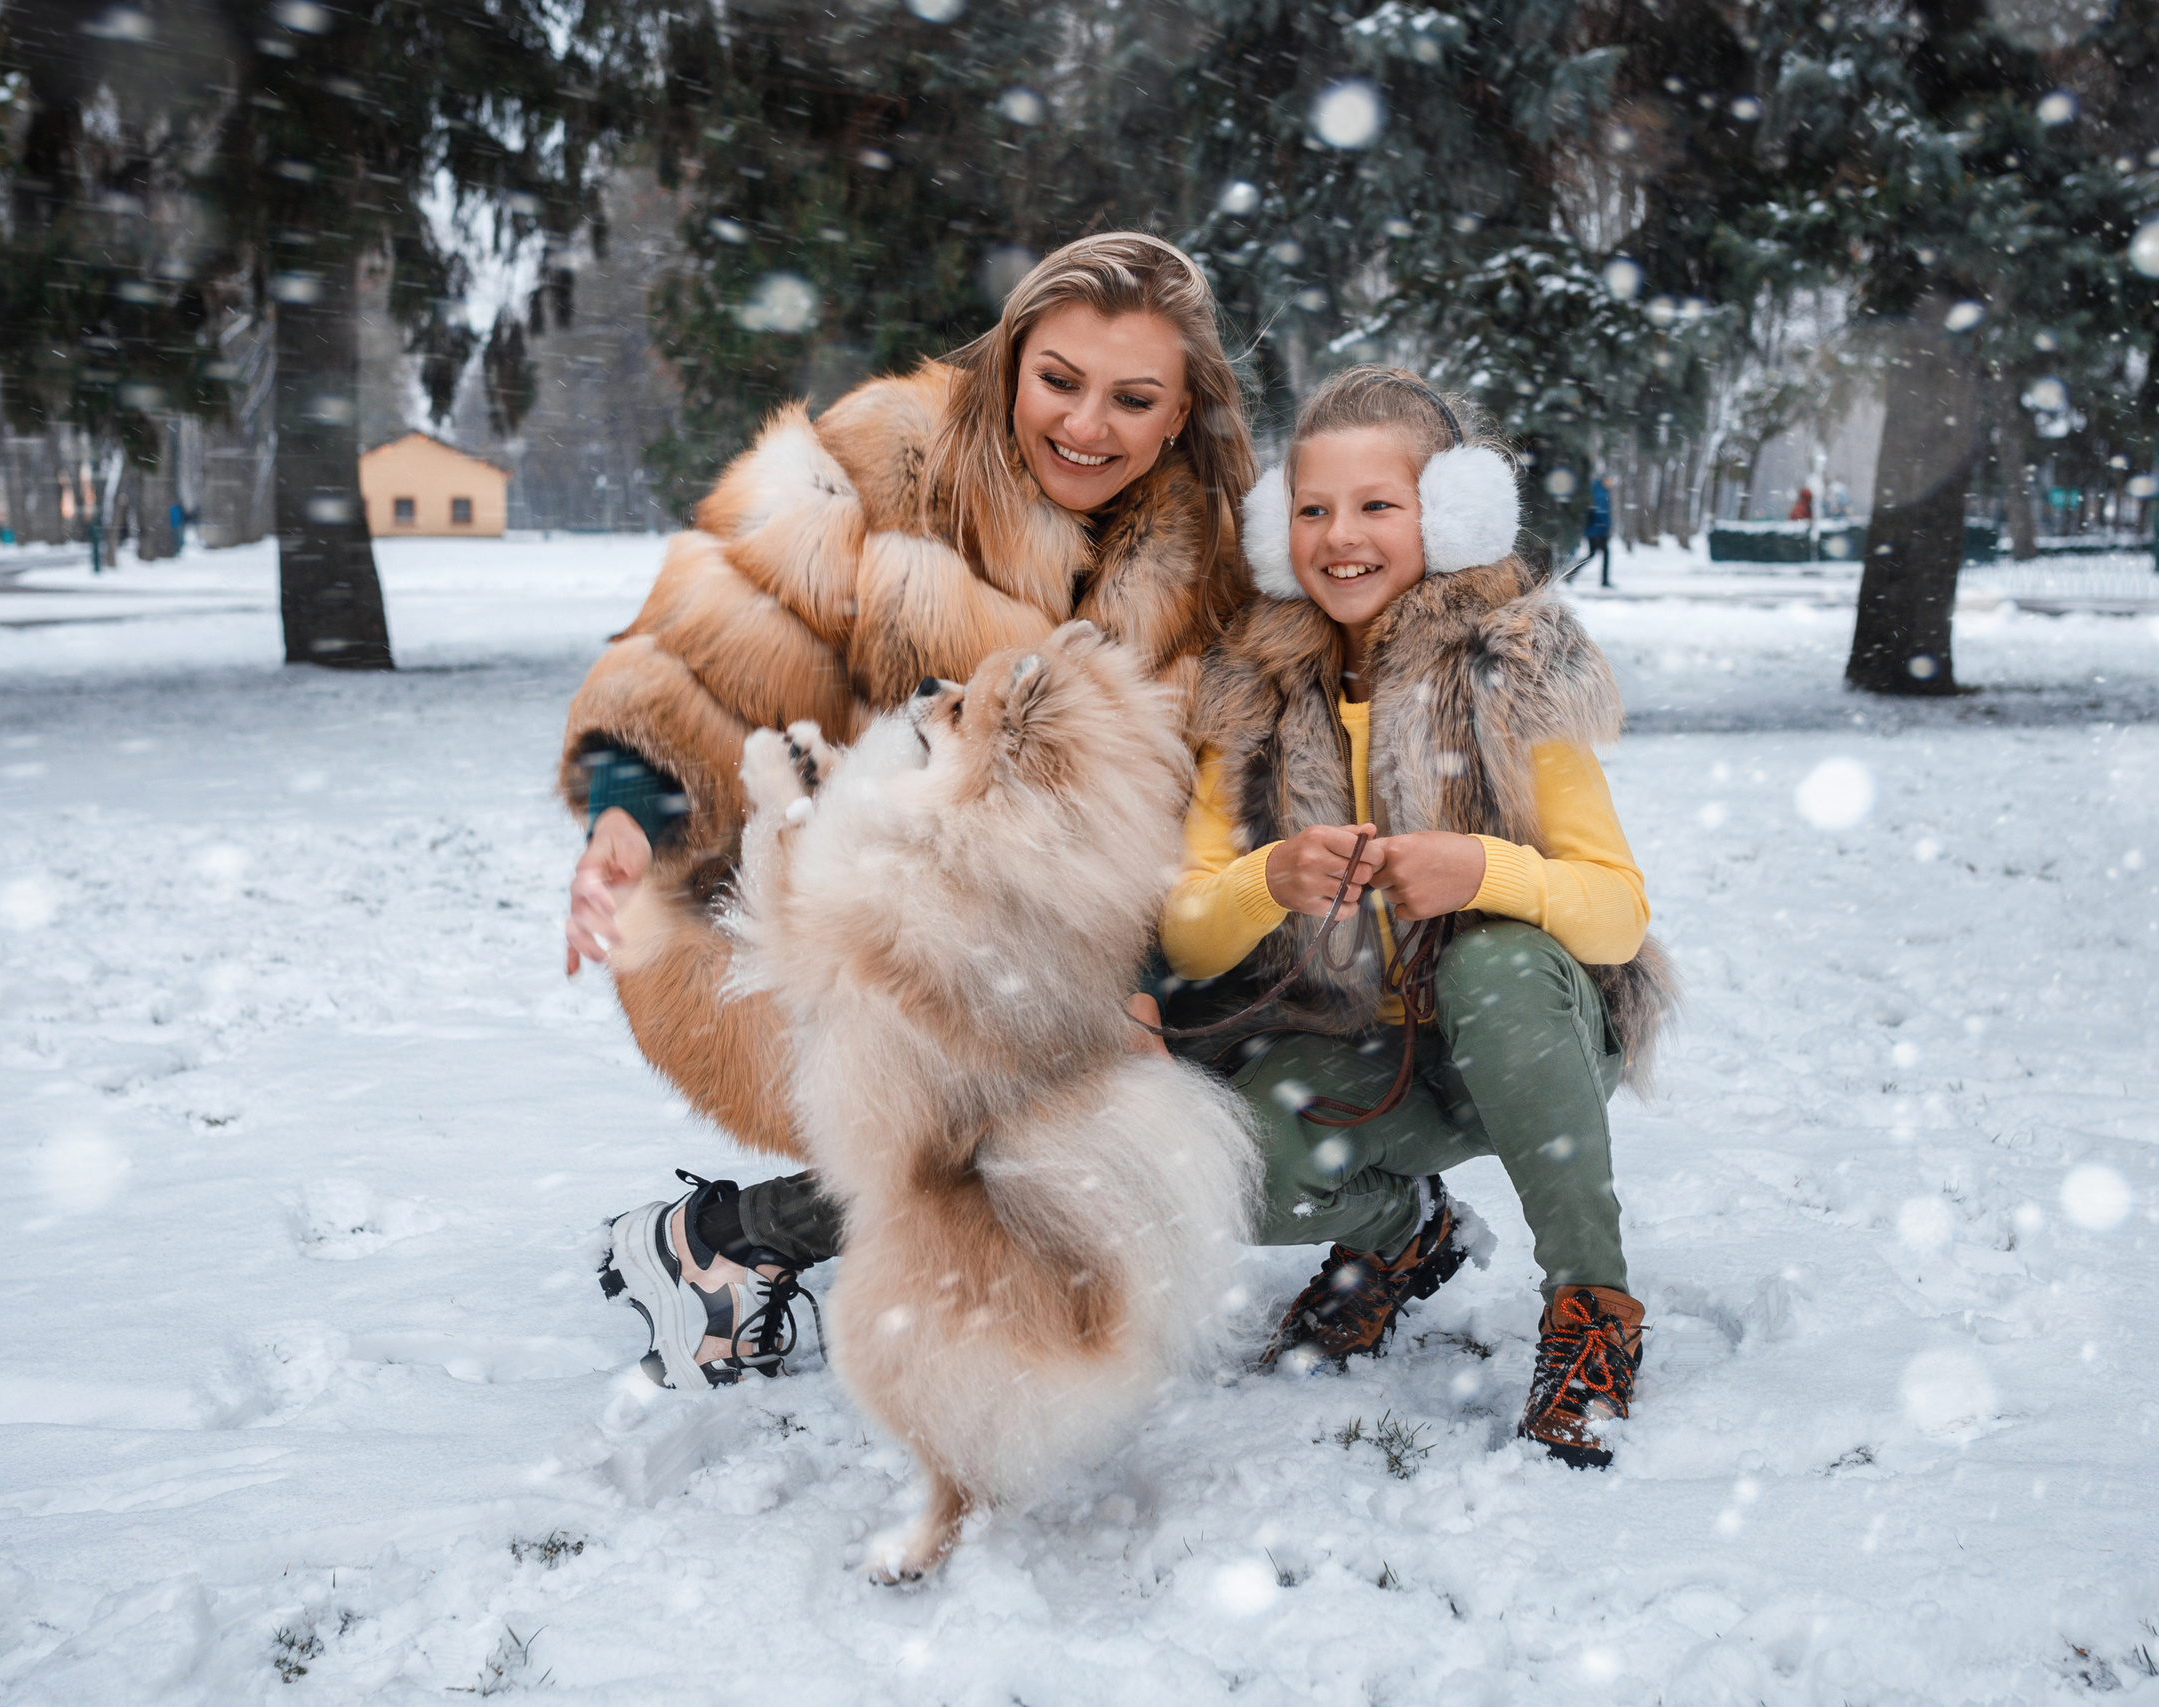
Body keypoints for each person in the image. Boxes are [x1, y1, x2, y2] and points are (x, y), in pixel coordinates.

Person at [566, 233, 1257, 1388]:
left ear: (1182, 413)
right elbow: (696, 655)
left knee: (1150, 1094)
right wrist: (625, 813)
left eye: (1134, 398)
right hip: (786, 913)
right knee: (1010, 1085)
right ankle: (718, 1246)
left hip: (1028, 938)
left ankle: (762, 1247)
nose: (1088, 425)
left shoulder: (1204, 565)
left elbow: (1170, 817)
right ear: (1010, 363)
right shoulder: (881, 462)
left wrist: (1136, 977)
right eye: (1059, 382)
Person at [1156, 367, 1674, 1466]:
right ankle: (1407, 1236)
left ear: (1448, 517)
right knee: (1214, 1165)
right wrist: (1270, 880)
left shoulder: (1512, 669)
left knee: (1492, 968)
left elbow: (1618, 915)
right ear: (1272, 527)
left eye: (1376, 506)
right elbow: (1189, 931)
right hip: (1367, 1055)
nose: (1340, 536)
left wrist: (1484, 872)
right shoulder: (1250, 696)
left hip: (1534, 1043)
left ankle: (1591, 1308)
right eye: (1311, 509)